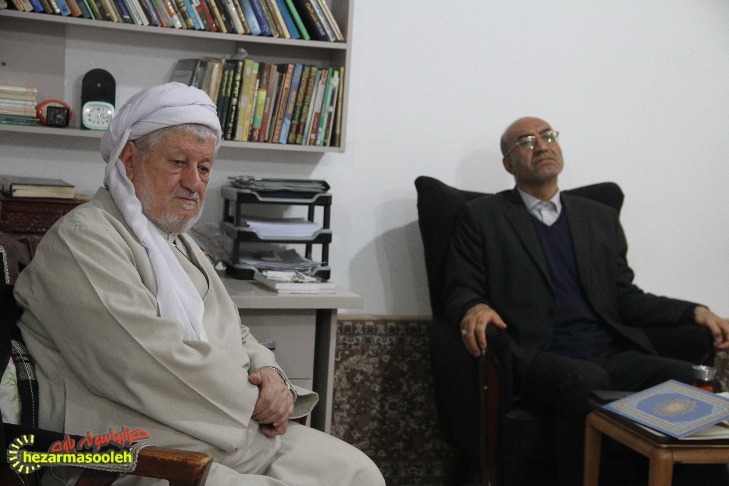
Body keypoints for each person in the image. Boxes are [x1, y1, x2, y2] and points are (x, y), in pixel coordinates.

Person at [14, 82, 385, 485]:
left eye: (204, 168)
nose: (194, 182)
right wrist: (255, 403)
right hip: (130, 452)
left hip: (221, 433)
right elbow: (145, 361)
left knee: (358, 473)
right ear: (129, 159)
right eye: (178, 162)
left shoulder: (178, 243)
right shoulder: (83, 238)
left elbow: (233, 330)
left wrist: (272, 376)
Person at [443, 116, 729, 486]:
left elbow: (626, 297)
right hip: (537, 355)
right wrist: (475, 306)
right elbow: (460, 287)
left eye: (548, 136)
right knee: (585, 379)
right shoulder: (483, 217)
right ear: (508, 164)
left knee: (692, 381)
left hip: (608, 353)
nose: (542, 146)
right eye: (526, 141)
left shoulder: (599, 217)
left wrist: (695, 311)